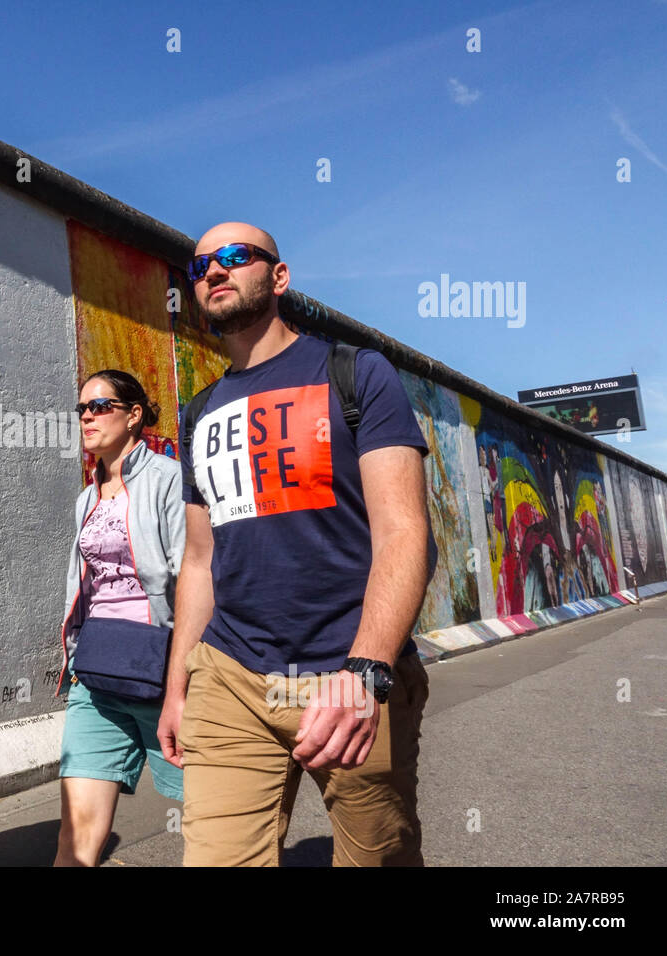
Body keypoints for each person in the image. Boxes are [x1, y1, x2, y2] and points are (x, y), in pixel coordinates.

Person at [157, 222, 435, 867]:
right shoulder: (199, 413)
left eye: (234, 257)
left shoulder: (355, 373)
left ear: (278, 277)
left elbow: (404, 533)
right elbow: (199, 562)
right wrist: (178, 687)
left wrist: (366, 671)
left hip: (344, 669)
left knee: (379, 857)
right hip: (230, 677)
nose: (214, 273)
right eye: (200, 268)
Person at [54, 370, 185, 867]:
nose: (87, 415)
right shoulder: (87, 497)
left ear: (134, 416)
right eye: (82, 408)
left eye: (100, 405)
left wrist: (186, 670)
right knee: (77, 833)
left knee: (212, 821)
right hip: (98, 670)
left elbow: (189, 573)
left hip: (162, 670)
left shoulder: (169, 480)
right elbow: (84, 588)